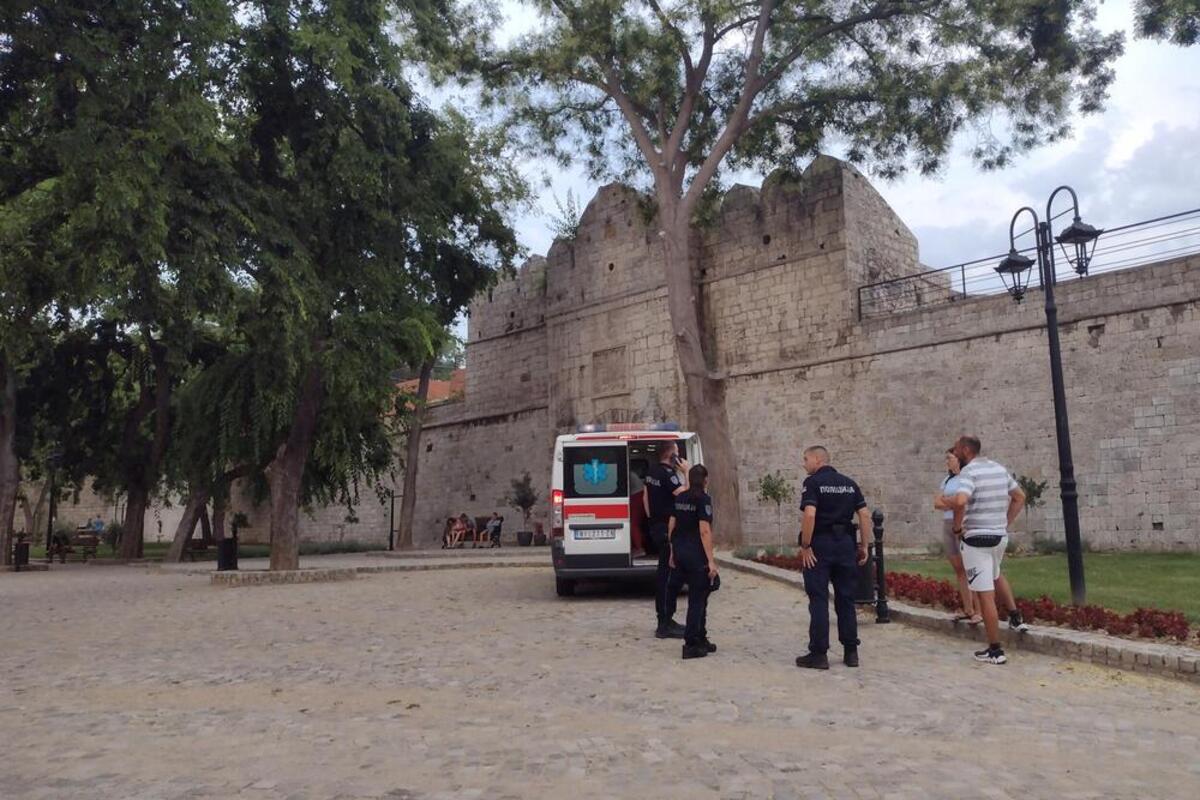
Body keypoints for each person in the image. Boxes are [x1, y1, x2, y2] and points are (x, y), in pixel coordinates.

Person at [942, 435, 1026, 665]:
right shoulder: (999, 468)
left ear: (966, 450)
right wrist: (1004, 522)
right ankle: (1013, 617)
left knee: (985, 595)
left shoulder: (969, 472)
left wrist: (956, 524)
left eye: (957, 449)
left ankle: (995, 649)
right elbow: (1019, 497)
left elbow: (961, 501)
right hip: (998, 537)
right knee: (996, 575)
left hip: (976, 539)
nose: (955, 453)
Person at [795, 446, 871, 670]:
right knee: (846, 599)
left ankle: (819, 654)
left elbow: (810, 514)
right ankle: (851, 652)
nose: (804, 463)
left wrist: (805, 545)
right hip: (845, 544)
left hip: (820, 545)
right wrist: (864, 545)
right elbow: (864, 514)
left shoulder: (812, 483)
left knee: (818, 598)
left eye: (806, 459)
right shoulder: (849, 483)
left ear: (818, 459)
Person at [666, 465, 718, 659]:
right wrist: (711, 561)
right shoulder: (703, 499)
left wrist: (672, 550)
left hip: (681, 552)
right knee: (697, 599)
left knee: (701, 597)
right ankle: (691, 643)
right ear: (705, 480)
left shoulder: (680, 498)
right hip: (696, 555)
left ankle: (701, 637)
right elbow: (704, 530)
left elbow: (672, 524)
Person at [643, 441, 689, 638]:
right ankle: (664, 624)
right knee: (668, 577)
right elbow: (685, 496)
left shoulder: (652, 471)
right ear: (672, 456)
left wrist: (652, 520)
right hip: (667, 530)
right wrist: (686, 472)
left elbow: (645, 498)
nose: (679, 457)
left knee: (664, 575)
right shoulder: (668, 474)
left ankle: (665, 619)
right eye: (677, 453)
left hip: (656, 527)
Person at [933, 449, 980, 623]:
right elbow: (937, 503)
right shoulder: (947, 480)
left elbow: (964, 502)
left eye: (950, 458)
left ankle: (979, 610)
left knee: (970, 568)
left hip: (964, 524)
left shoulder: (967, 478)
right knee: (959, 568)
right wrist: (953, 502)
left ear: (958, 459)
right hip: (948, 524)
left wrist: (949, 501)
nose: (947, 461)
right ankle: (968, 608)